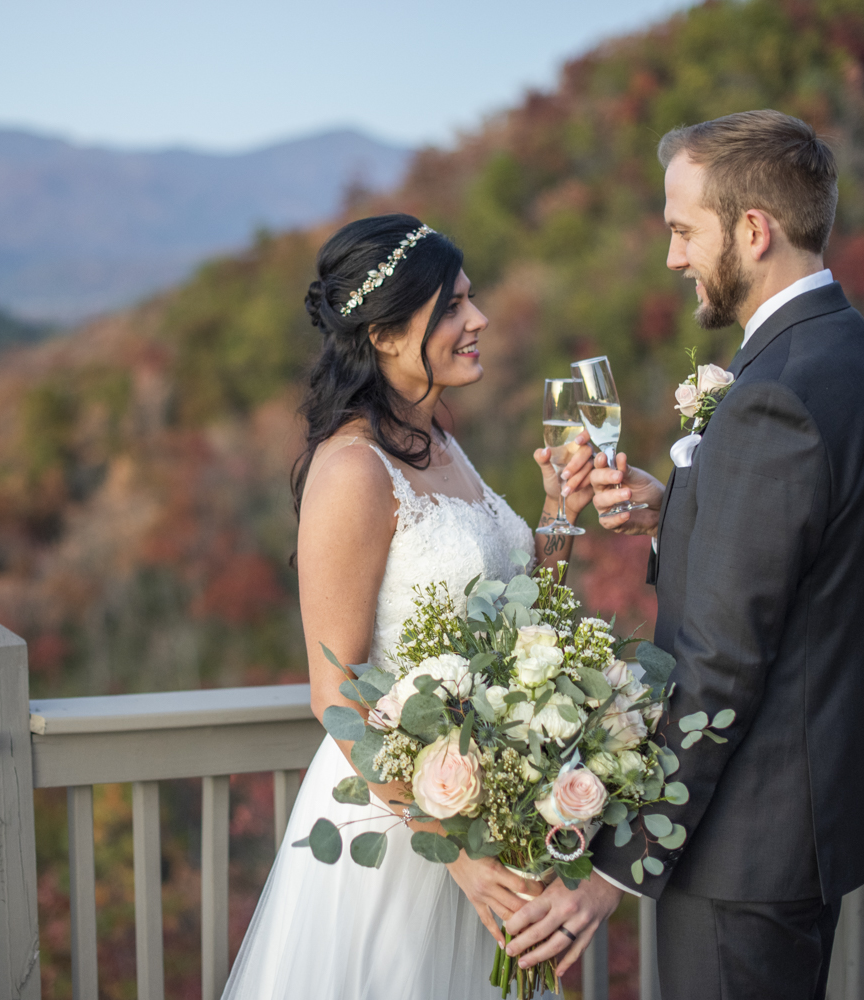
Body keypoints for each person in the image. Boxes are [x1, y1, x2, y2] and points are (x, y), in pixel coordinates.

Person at [503, 110, 864, 1000]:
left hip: (744, 848)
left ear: (753, 229)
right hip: (803, 821)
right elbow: (803, 562)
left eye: (684, 229)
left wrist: (614, 869)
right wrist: (681, 510)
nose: (673, 256)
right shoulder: (851, 353)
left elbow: (722, 660)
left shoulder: (776, 396)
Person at [222, 214, 596, 998]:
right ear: (388, 334)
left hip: (489, 812)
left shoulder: (440, 444)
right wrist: (449, 849)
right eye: (453, 307)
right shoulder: (353, 470)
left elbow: (521, 625)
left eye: (471, 299)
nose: (479, 320)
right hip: (398, 837)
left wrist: (559, 512)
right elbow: (336, 693)